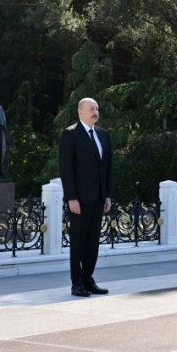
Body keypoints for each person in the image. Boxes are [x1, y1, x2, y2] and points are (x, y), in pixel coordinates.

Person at [59, 97, 114, 297]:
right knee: (78, 242)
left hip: (98, 198)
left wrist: (107, 195)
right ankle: (77, 283)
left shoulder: (103, 135)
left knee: (93, 242)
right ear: (80, 112)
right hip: (79, 200)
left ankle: (88, 279)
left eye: (97, 108)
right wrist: (71, 197)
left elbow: (107, 169)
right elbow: (66, 169)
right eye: (91, 108)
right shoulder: (70, 134)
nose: (95, 111)